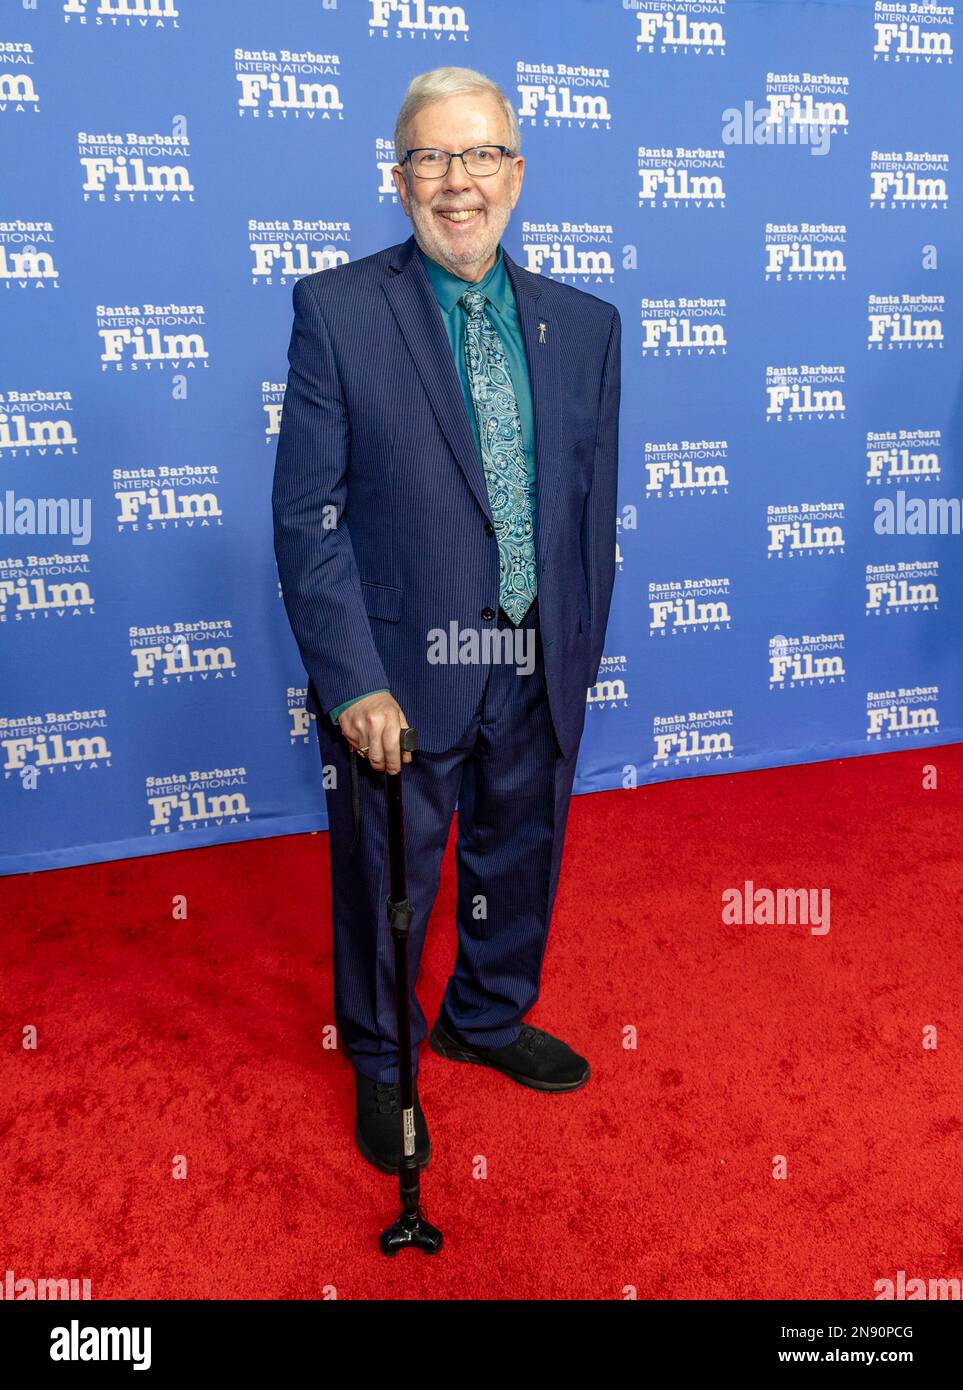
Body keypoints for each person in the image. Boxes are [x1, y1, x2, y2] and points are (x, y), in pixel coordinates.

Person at [272, 65, 621, 1174]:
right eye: (432, 156)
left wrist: (572, 648)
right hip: (401, 669)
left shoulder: (588, 324)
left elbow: (586, 505)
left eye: (480, 156)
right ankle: (384, 1059)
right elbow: (306, 518)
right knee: (390, 876)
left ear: (517, 173)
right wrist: (353, 682)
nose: (457, 181)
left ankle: (484, 1014)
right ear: (399, 175)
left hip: (532, 652)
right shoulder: (336, 310)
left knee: (521, 849)